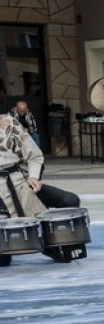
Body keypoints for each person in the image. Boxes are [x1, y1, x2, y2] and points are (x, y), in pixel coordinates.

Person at [1, 111, 84, 265]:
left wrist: (33, 177)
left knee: (70, 200)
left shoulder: (11, 124)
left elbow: (35, 156)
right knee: (3, 261)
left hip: (19, 183)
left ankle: (59, 244)